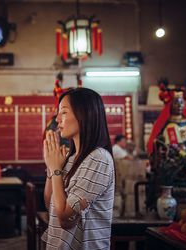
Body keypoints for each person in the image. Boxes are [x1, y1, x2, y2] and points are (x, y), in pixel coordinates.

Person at [42, 88, 115, 250]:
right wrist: (51, 167)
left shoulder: (98, 158)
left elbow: (65, 219)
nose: (58, 119)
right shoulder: (71, 157)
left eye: (64, 112)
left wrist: (55, 170)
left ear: (84, 115)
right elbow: (50, 204)